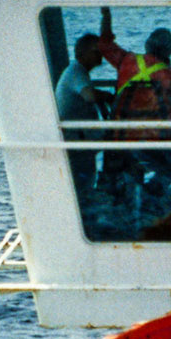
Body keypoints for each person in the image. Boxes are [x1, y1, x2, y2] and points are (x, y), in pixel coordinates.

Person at [96, 9, 171, 207]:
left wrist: (107, 17)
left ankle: (119, 188)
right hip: (152, 142)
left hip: (119, 136)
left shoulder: (125, 60)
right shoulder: (170, 76)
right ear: (168, 51)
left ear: (147, 45)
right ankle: (154, 189)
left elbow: (103, 45)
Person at [54, 34, 105, 212]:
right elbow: (89, 96)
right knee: (83, 183)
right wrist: (108, 96)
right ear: (87, 53)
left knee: (86, 179)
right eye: (98, 51)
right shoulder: (76, 72)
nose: (102, 56)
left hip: (79, 138)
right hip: (75, 140)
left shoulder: (77, 72)